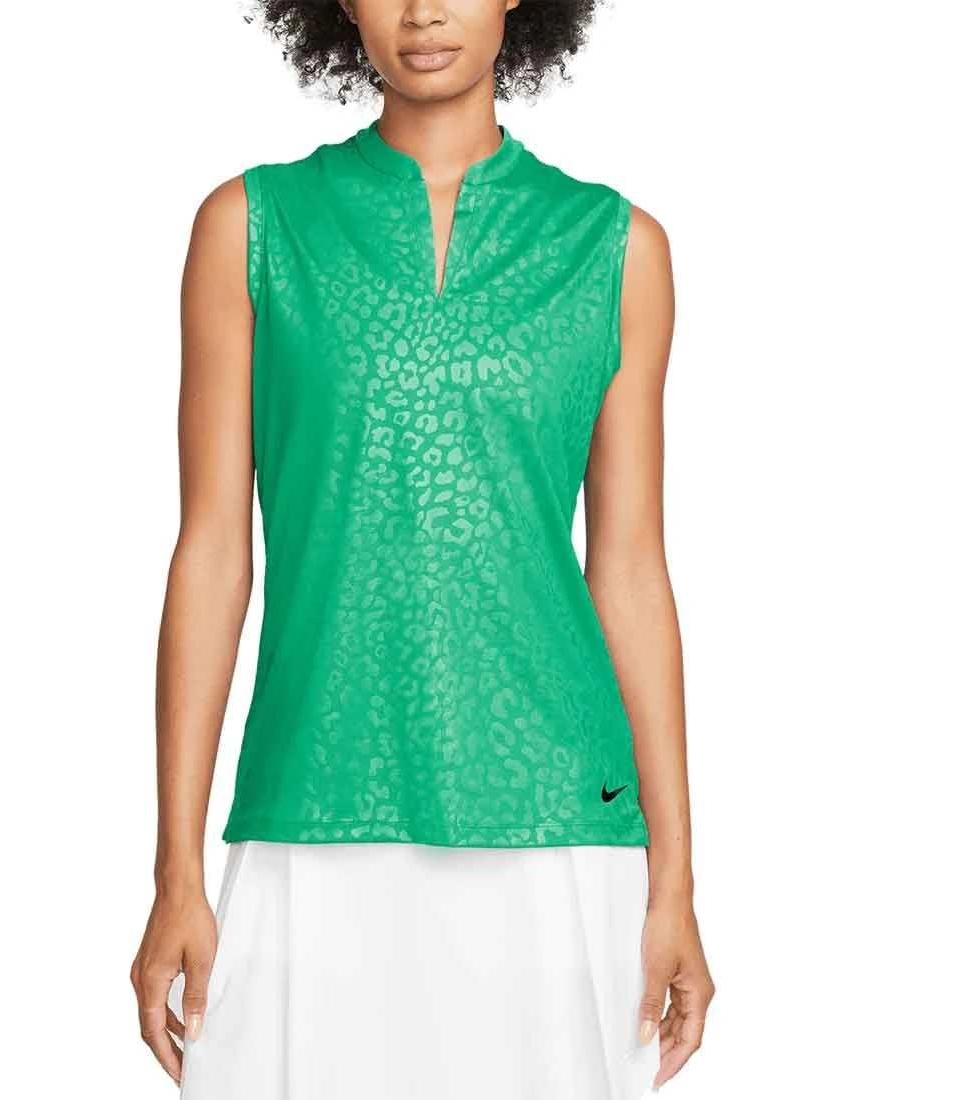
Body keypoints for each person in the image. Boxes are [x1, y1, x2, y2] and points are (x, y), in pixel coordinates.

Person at [130, 1, 715, 1096]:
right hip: (311, 800)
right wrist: (174, 869)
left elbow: (630, 570)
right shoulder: (252, 228)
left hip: (555, 825)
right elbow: (210, 553)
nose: (422, 10)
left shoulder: (613, 247)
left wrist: (675, 879)